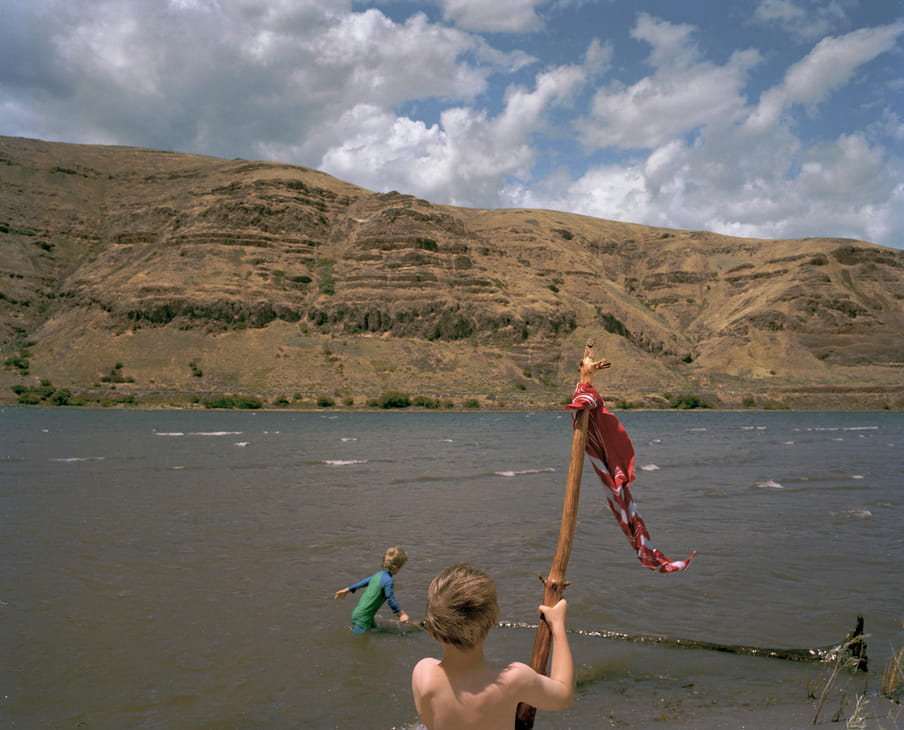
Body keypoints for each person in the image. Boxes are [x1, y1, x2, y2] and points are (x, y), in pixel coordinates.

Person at [411, 564, 574, 730]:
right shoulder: (513, 679)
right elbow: (564, 695)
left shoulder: (423, 674)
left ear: (432, 630)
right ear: (492, 619)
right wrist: (558, 625)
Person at [333, 546, 410, 633]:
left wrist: (347, 590)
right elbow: (391, 599)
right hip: (363, 618)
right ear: (397, 567)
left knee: (376, 631)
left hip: (362, 614)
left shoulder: (378, 575)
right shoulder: (388, 581)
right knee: (359, 643)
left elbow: (362, 582)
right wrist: (402, 614)